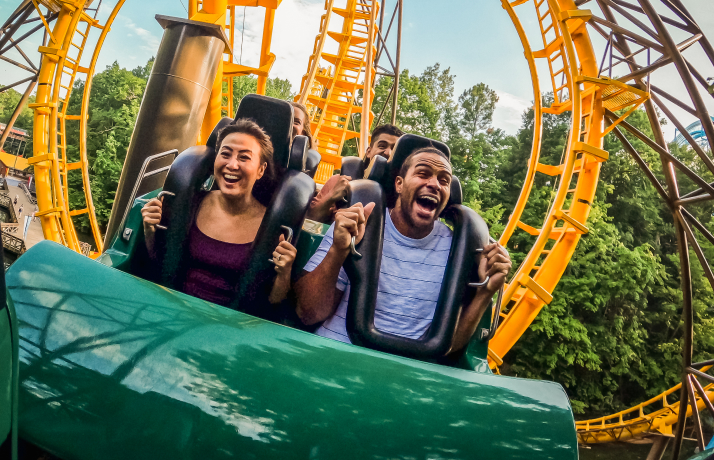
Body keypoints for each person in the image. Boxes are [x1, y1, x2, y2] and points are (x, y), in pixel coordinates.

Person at [294, 146, 512, 354]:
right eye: (423, 173)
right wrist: (338, 250)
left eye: (443, 180)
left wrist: (486, 292)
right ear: (399, 184)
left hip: (404, 375)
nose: (434, 184)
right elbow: (308, 313)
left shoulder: (456, 249)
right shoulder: (360, 223)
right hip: (335, 353)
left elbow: (449, 346)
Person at [141, 119, 297, 307]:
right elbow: (158, 263)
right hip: (172, 306)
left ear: (260, 170)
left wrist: (285, 271)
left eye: (244, 158)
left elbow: (273, 300)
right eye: (225, 154)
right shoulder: (190, 203)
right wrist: (150, 230)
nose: (232, 165)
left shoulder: (271, 226)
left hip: (227, 324)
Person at [307, 124, 404, 224]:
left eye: (394, 150)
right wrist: (331, 196)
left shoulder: (401, 192)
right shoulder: (340, 180)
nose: (388, 152)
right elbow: (309, 220)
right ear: (369, 152)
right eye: (382, 146)